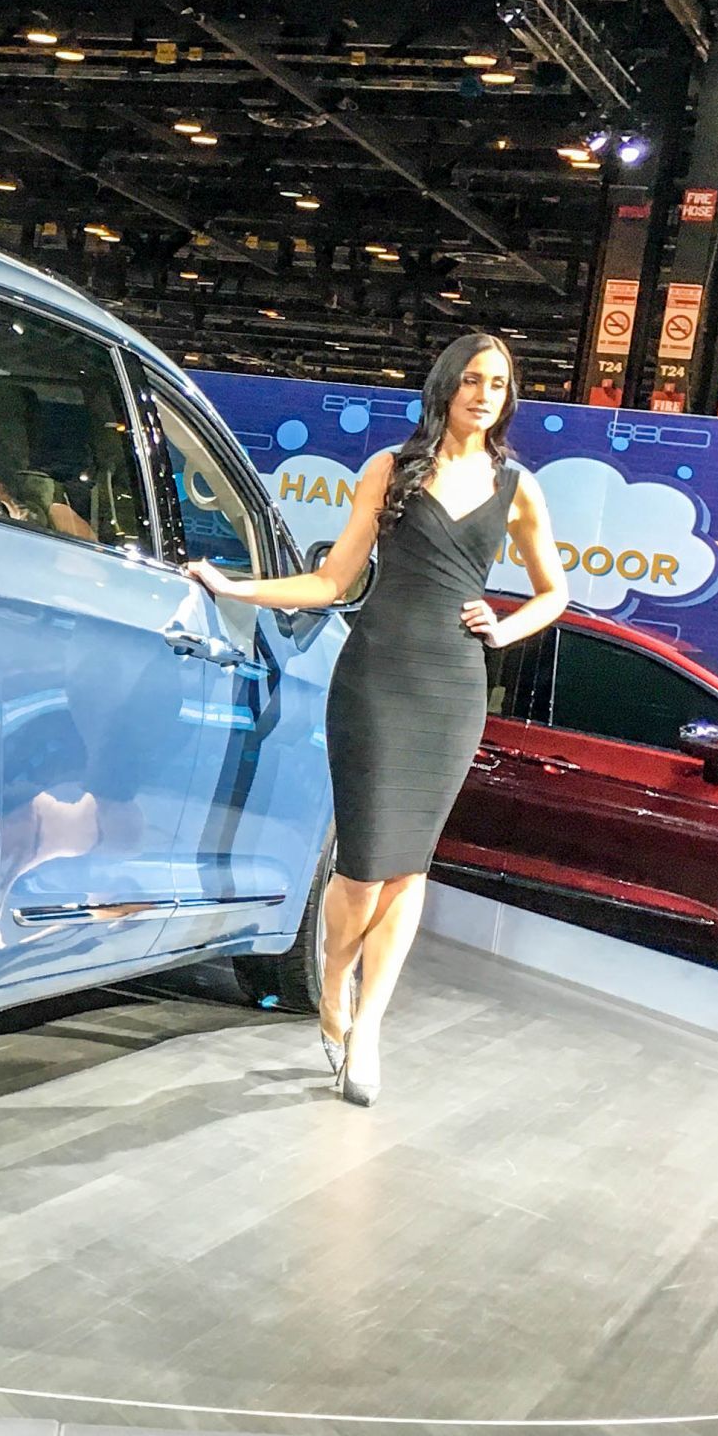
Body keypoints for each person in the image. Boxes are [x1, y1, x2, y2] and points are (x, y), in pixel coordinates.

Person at [186, 334, 568, 1106]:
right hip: (375, 681)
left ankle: (368, 1030)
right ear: (445, 387)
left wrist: (504, 627)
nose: (484, 393)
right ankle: (334, 985)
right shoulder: (390, 470)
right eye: (470, 380)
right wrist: (235, 587)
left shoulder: (518, 486)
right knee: (362, 869)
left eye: (497, 383)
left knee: (409, 869)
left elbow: (553, 591)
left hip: (453, 691)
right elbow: (333, 581)